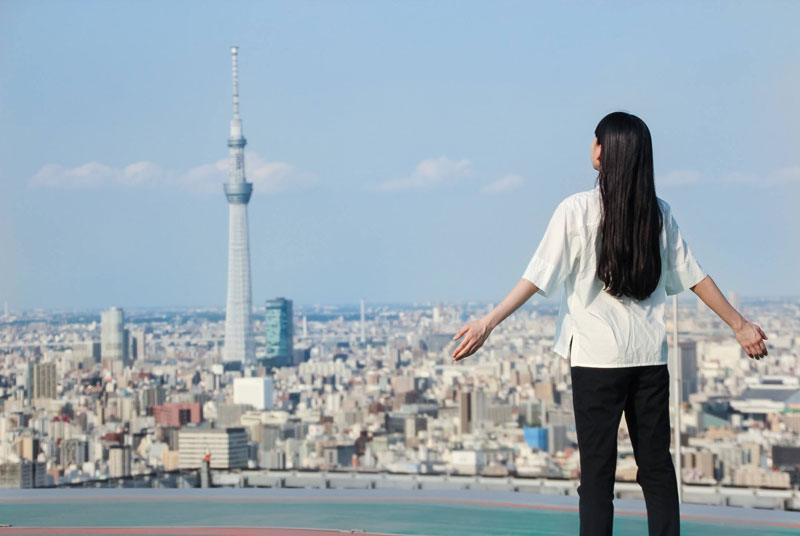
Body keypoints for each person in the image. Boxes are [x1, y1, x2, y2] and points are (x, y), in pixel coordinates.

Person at [450, 111, 768, 536]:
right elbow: (693, 274)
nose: (591, 147)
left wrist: (488, 322)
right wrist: (739, 325)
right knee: (656, 469)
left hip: (597, 362)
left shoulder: (576, 210)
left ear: (604, 151)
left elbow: (537, 275)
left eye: (595, 140)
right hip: (648, 358)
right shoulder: (657, 212)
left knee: (597, 477)